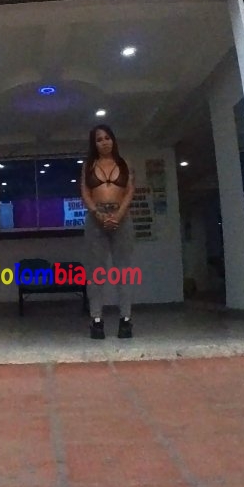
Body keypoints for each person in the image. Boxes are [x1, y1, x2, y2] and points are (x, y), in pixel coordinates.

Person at [80, 124, 136, 339]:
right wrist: (96, 213)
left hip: (121, 217)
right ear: (94, 144)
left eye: (107, 138)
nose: (104, 142)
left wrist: (119, 214)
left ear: (113, 139)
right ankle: (96, 320)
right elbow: (85, 191)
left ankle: (126, 319)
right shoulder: (88, 165)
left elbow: (129, 190)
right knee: (96, 272)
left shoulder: (124, 163)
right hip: (96, 219)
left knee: (124, 271)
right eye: (99, 139)